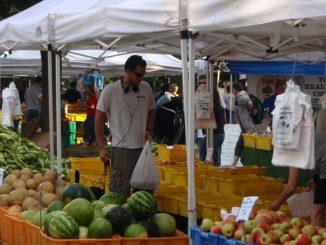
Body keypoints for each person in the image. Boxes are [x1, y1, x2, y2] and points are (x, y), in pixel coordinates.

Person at [95, 55, 155, 199]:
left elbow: (152, 110)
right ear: (127, 71)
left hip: (142, 148)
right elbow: (98, 119)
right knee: (119, 190)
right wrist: (102, 148)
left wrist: (149, 129)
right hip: (121, 149)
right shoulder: (110, 90)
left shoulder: (146, 88)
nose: (141, 78)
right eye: (138, 74)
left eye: (143, 75)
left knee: (143, 191)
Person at [271, 109, 326, 226]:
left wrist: (277, 203)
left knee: (316, 213)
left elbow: (291, 187)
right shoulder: (311, 135)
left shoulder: (295, 144)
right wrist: (317, 180)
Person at [231, 82, 255, 167]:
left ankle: (234, 165)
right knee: (241, 145)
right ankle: (234, 164)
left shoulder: (240, 97)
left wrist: (249, 108)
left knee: (240, 145)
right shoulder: (243, 95)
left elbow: (249, 103)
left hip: (246, 126)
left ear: (236, 89)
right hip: (247, 126)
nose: (232, 91)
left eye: (233, 89)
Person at [212, 89, 226, 166]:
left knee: (216, 155)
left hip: (216, 133)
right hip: (221, 132)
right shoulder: (220, 107)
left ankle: (216, 169)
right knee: (217, 152)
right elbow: (225, 121)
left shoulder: (213, 108)